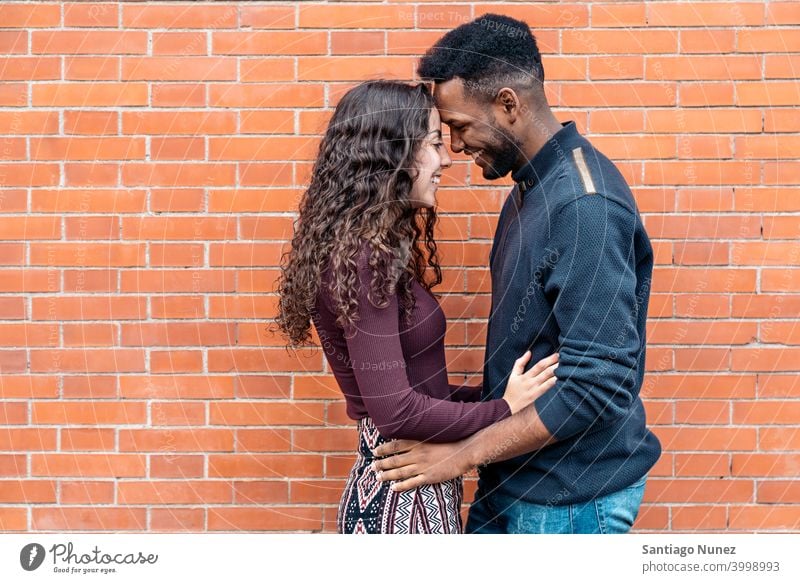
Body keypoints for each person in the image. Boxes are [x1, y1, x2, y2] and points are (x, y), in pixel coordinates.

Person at [372, 14, 662, 534]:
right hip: (515, 481)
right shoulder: (532, 187)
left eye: (459, 126)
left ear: (508, 104)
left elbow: (598, 385)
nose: (456, 148)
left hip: (567, 500)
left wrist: (460, 455)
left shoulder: (585, 206)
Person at [275, 80, 560, 534]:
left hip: (415, 484)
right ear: (390, 156)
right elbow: (397, 413)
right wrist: (504, 409)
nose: (446, 158)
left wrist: (498, 395)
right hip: (398, 497)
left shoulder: (376, 253)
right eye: (432, 144)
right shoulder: (363, 260)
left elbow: (423, 394)